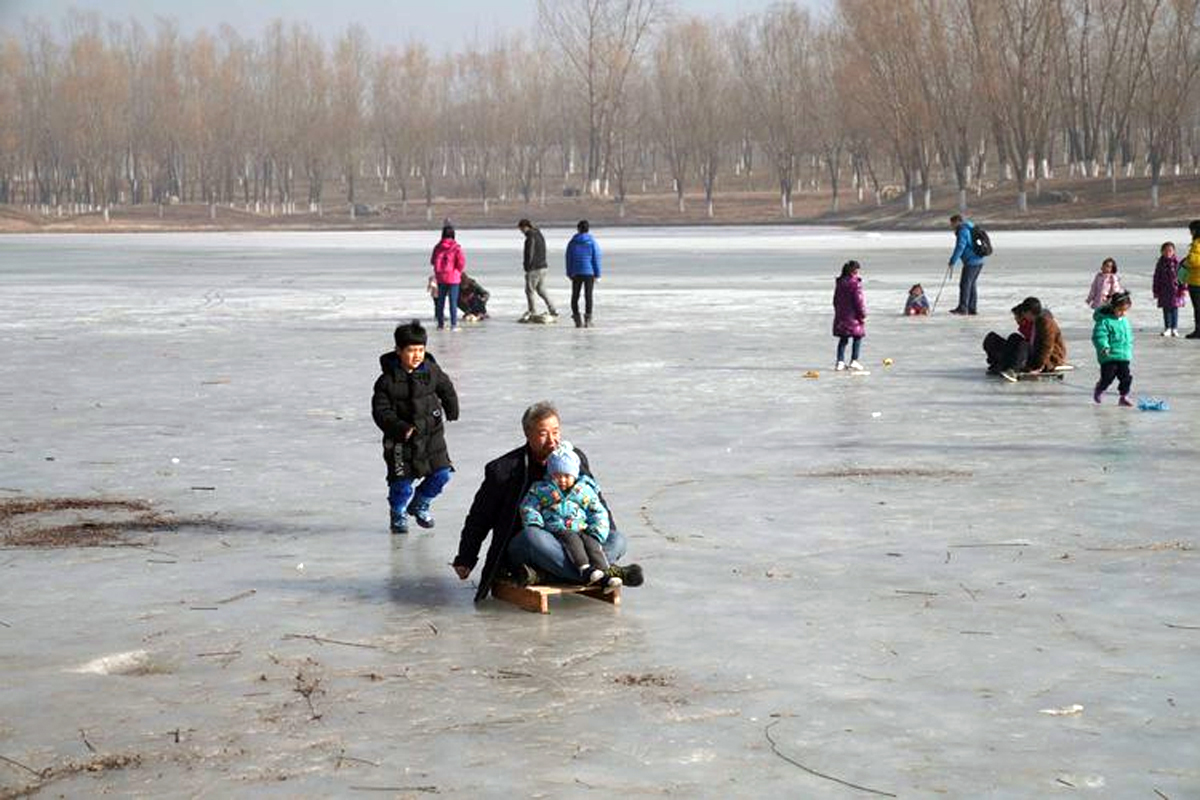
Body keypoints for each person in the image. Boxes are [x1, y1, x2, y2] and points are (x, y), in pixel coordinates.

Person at [453, 401, 643, 600]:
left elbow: (596, 501)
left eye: (556, 432)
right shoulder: (504, 470)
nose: (552, 441)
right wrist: (465, 558)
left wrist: (602, 532)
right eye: (543, 434)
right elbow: (479, 517)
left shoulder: (574, 459)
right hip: (530, 546)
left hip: (575, 540)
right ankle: (605, 573)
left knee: (617, 539)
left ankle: (550, 574)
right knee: (533, 537)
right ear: (527, 434)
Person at [372, 320, 460, 533]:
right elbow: (380, 412)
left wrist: (451, 408)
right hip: (402, 442)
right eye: (411, 350)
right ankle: (399, 511)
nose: (417, 355)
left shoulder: (431, 370)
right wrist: (400, 427)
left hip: (431, 436)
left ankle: (420, 502)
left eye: (420, 349)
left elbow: (446, 388)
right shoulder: (387, 381)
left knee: (442, 474)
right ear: (398, 350)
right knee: (401, 483)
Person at [518, 442, 621, 592]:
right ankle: (585, 569)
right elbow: (529, 506)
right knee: (573, 542)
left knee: (594, 546)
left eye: (567, 476)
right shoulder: (542, 489)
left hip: (582, 528)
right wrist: (535, 524)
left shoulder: (584, 490)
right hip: (558, 530)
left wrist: (597, 530)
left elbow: (597, 511)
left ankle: (604, 575)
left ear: (575, 475)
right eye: (557, 476)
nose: (562, 480)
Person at [1091, 291, 1134, 406]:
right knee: (1108, 376)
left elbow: (1128, 337)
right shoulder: (1104, 321)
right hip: (1109, 356)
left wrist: (1129, 349)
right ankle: (1100, 388)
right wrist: (1104, 346)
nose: (1123, 313)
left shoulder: (1124, 321)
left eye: (1125, 310)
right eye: (1120, 310)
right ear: (1113, 307)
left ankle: (1124, 396)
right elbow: (1099, 336)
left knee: (1126, 377)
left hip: (1123, 355)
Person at [983, 301, 1035, 379]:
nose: (1015, 319)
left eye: (1016, 317)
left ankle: (1013, 369)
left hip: (1028, 354)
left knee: (1016, 339)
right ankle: (997, 363)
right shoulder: (1023, 326)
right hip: (1021, 351)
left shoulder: (1033, 325)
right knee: (992, 337)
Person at [947, 213, 986, 315]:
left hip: (972, 262)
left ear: (957, 222)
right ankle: (971, 308)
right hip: (978, 260)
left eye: (952, 224)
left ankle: (963, 308)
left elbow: (960, 247)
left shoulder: (963, 231)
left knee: (965, 285)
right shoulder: (969, 228)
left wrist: (953, 260)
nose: (951, 226)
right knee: (971, 285)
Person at [518, 219, 557, 320]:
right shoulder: (539, 234)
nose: (521, 231)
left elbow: (530, 253)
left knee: (529, 290)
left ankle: (532, 311)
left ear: (526, 227)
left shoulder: (530, 236)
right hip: (543, 267)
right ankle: (553, 309)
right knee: (541, 289)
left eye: (521, 229)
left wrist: (527, 266)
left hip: (534, 268)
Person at [565, 220, 601, 328]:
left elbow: (568, 258)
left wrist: (569, 272)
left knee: (575, 296)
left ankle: (577, 319)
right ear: (588, 229)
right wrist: (598, 274)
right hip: (589, 272)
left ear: (578, 229)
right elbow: (596, 258)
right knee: (588, 296)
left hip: (576, 273)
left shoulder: (572, 242)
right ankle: (588, 320)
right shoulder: (592, 242)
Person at [832, 260, 867, 371]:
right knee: (858, 336)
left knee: (843, 339)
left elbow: (835, 300)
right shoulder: (855, 283)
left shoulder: (840, 282)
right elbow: (858, 300)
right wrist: (862, 313)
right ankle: (854, 360)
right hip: (853, 316)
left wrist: (838, 311)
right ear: (854, 271)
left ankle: (840, 362)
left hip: (842, 315)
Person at [431, 225, 465, 331]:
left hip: (441, 277)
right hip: (453, 278)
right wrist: (458, 271)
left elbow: (433, 261)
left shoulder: (437, 247)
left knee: (440, 302)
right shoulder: (456, 247)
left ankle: (440, 324)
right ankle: (453, 325)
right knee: (453, 302)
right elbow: (461, 262)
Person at [1153, 242, 1186, 337]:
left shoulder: (1177, 262)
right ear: (1162, 252)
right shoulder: (1160, 263)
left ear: (1174, 251)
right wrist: (1156, 290)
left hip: (1176, 290)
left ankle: (1174, 328)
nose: (1168, 253)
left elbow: (1182, 276)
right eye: (1165, 251)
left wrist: (1183, 288)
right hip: (1164, 290)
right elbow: (1156, 277)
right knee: (1166, 309)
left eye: (1170, 251)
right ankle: (1168, 328)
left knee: (1174, 309)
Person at [1183, 220, 1200, 338]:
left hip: (1197, 281)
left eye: (1191, 230)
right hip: (1195, 280)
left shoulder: (1197, 243)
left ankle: (1198, 330)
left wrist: (1187, 260)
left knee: (1198, 308)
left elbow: (1195, 261)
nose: (1190, 233)